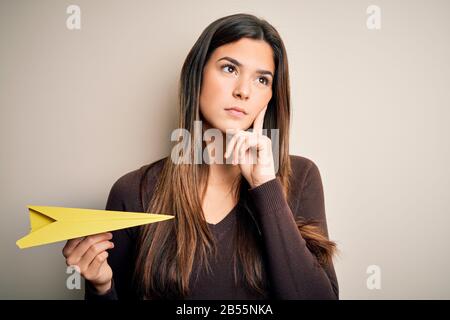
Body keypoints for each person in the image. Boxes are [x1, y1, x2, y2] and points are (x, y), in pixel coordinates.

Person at [62, 13, 339, 300]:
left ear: (270, 96)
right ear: (198, 74)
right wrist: (102, 288)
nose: (243, 91)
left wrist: (265, 186)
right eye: (230, 69)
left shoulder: (301, 176)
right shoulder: (134, 191)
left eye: (261, 79)